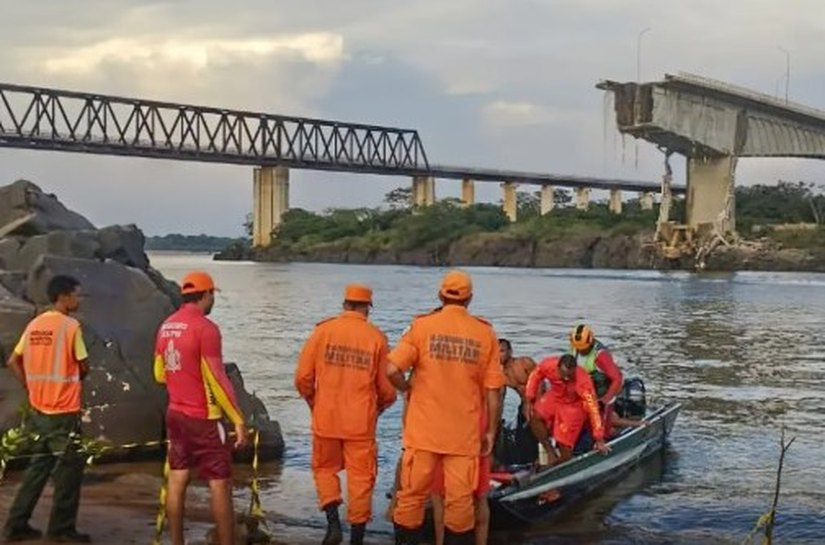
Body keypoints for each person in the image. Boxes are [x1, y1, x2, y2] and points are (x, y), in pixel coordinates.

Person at [387, 270, 505, 545]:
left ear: (440, 295)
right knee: (460, 504)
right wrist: (490, 432)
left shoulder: (421, 327)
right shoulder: (484, 333)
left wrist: (407, 389)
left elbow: (391, 369)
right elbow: (493, 391)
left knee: (411, 498)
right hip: (463, 437)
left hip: (422, 433)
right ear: (470, 299)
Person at [294, 284, 397, 545]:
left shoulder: (322, 332)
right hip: (360, 423)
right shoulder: (376, 338)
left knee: (324, 469)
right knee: (361, 479)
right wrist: (379, 408)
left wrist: (314, 402)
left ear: (345, 304)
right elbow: (387, 389)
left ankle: (332, 525)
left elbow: (303, 378)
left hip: (325, 418)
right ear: (366, 308)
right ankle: (357, 539)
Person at [153, 271, 247, 545]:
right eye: (212, 295)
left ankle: (177, 541)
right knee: (220, 483)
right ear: (206, 295)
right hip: (203, 417)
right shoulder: (206, 328)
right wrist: (238, 420)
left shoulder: (166, 325)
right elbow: (217, 379)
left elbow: (159, 372)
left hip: (175, 414)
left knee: (178, 478)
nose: (213, 299)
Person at [3, 275, 91, 543]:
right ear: (63, 297)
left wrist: (30, 387)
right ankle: (61, 529)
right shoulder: (70, 327)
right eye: (77, 294)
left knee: (39, 467)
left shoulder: (35, 325)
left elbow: (12, 361)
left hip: (39, 408)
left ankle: (16, 523)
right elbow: (83, 365)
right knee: (69, 470)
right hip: (63, 410)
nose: (80, 299)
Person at [525, 354, 610, 466]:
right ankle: (549, 451)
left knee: (563, 440)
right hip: (556, 395)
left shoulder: (583, 381)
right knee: (535, 415)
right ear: (558, 367)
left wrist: (599, 438)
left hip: (574, 404)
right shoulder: (548, 365)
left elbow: (593, 408)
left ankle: (561, 462)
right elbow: (536, 375)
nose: (566, 378)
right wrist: (529, 398)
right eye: (563, 375)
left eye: (569, 376)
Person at [430, 405, 491, 545]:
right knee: (480, 497)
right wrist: (491, 430)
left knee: (439, 498)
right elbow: (494, 396)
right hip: (474, 425)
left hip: (439, 430)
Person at [568, 325, 625, 436]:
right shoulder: (575, 348)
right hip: (586, 392)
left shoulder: (601, 356)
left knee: (602, 431)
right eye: (578, 348)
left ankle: (611, 430)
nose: (580, 350)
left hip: (603, 392)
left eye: (583, 348)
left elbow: (617, 379)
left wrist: (605, 400)